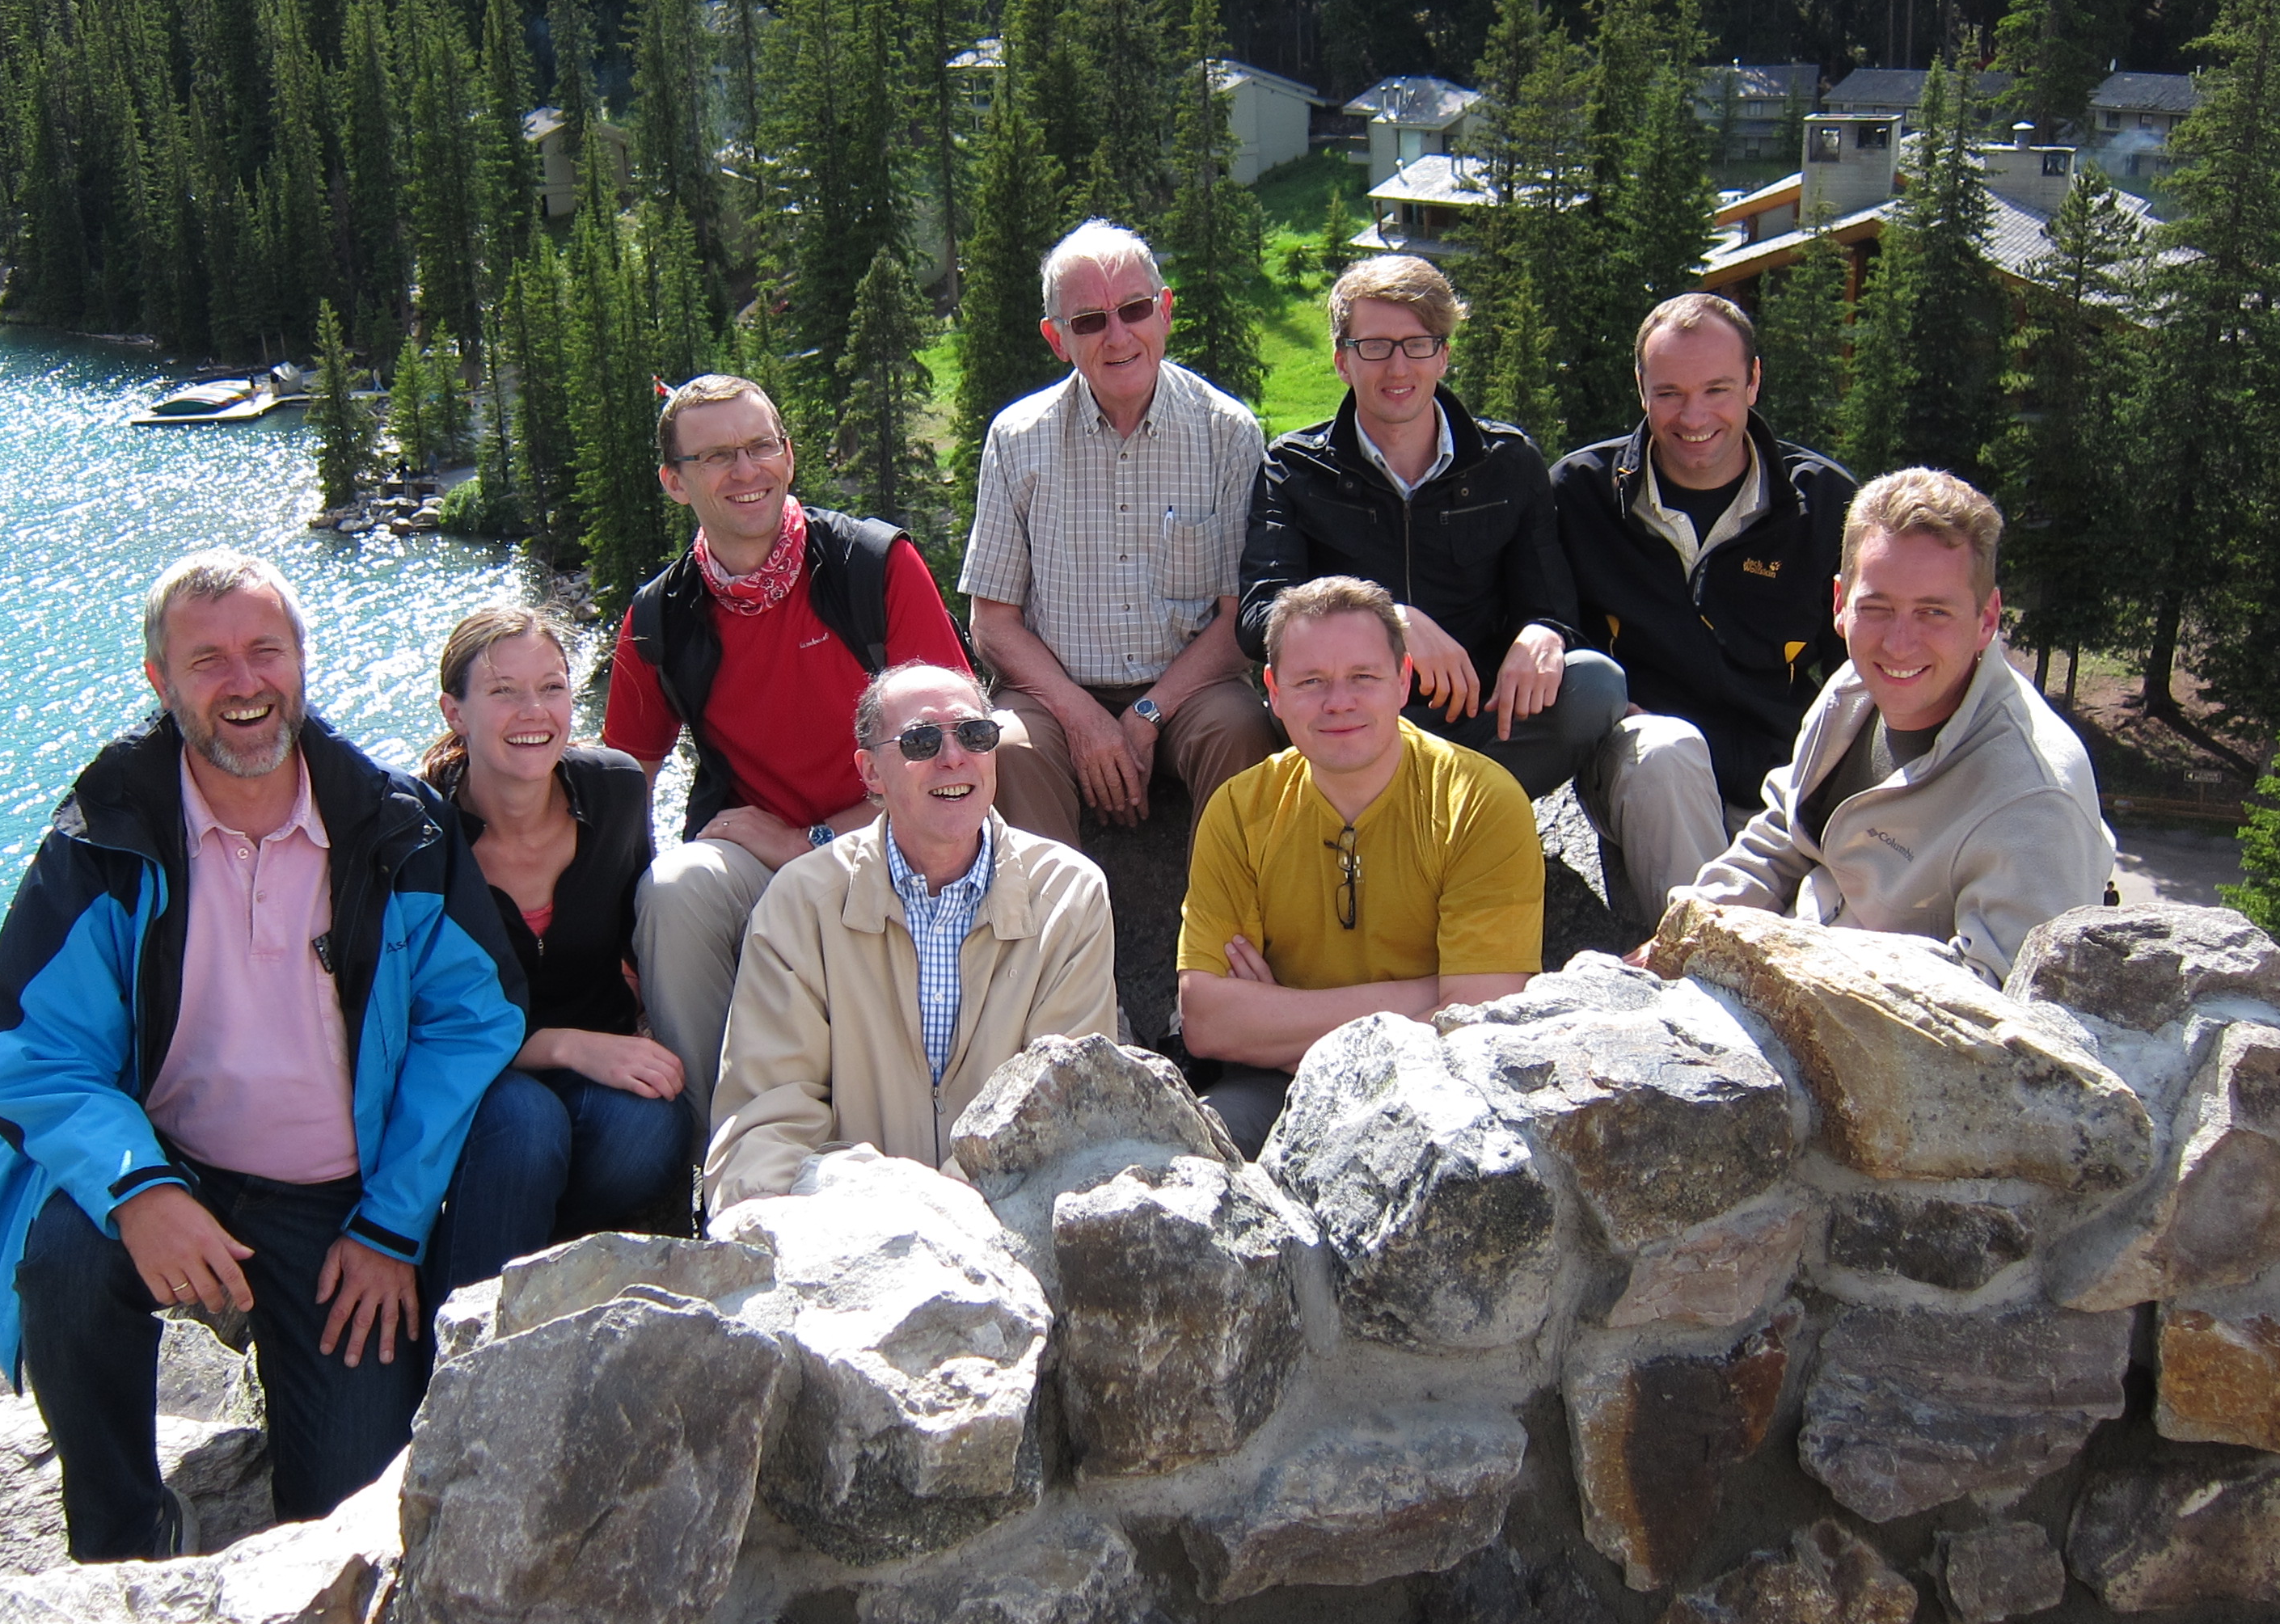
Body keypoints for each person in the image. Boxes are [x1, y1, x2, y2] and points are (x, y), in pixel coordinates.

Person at [0, 551, 532, 1563]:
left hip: (330, 1206)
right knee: (71, 1258)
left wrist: (392, 1222)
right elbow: (37, 1053)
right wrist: (138, 1189)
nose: (244, 681)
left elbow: (473, 1016)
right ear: (159, 681)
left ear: (303, 662)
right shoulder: (105, 837)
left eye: (266, 649)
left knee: (342, 1533)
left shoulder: (393, 828)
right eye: (207, 659)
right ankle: (123, 1530)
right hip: (172, 1164)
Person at [599, 374, 971, 1135]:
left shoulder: (872, 567)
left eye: (761, 445)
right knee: (673, 892)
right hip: (757, 858)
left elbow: (956, 749)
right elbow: (621, 786)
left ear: (789, 456)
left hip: (896, 831)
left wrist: (813, 842)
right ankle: (725, 1154)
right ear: (675, 482)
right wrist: (609, 930)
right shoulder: (658, 620)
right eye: (717, 457)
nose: (746, 470)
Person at [702, 663, 1120, 1212]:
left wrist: (944, 1210)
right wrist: (887, 1215)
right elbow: (762, 1127)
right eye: (921, 740)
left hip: (1011, 1237)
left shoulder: (1070, 895)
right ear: (870, 772)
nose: (953, 757)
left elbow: (1064, 1109)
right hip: (847, 1241)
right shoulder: (799, 903)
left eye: (975, 734)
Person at [1670, 468, 2114, 985]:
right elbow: (1786, 832)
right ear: (1839, 605)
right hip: (1801, 961)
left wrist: (1787, 982)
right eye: (1876, 608)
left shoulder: (2034, 803)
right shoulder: (1853, 691)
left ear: (1987, 619)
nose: (1899, 644)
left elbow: (1995, 1020)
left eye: (1934, 613)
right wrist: (1683, 933)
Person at [1179, 576, 1543, 1153]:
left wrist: (1282, 1021)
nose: (1338, 702)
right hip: (1274, 1088)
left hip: (1438, 1088)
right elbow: (1207, 1020)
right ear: (1271, 689)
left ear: (1403, 680)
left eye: (1363, 677)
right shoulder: (1239, 809)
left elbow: (1480, 1017)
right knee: (1195, 1156)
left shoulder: (1478, 800)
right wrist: (1427, 993)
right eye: (1311, 682)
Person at [1239, 255, 1624, 800]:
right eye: (1374, 346)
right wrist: (1387, 619)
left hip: (1482, 728)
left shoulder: (1507, 463)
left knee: (1595, 684)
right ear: (1341, 361)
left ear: (1443, 356)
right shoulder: (1295, 468)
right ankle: (1443, 824)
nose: (1398, 368)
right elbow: (1260, 619)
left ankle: (1447, 818)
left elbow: (1553, 610)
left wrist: (1545, 633)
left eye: (1417, 344)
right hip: (1350, 718)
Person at [962, 219, 1277, 846]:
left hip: (1190, 691)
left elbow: (1239, 621)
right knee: (1011, 747)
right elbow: (992, 623)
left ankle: (1223, 930)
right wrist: (1082, 719)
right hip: (1053, 691)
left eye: (1134, 309)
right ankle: (1055, 937)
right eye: (1089, 321)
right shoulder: (1017, 439)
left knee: (1242, 730)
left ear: (1165, 312)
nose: (1118, 335)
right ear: (1057, 339)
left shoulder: (1228, 433)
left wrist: (1147, 713)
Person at [1555, 293, 1856, 930]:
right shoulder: (1580, 495)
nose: (1693, 417)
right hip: (1644, 768)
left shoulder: (1822, 505)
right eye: (1669, 393)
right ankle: (1699, 970)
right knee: (1668, 750)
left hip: (1776, 782)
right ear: (1640, 388)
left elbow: (1861, 669)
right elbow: (1551, 627)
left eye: (1717, 389)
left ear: (1754, 381)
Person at [422, 603, 690, 1240]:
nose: (534, 712)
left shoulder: (616, 791)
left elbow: (635, 935)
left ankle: (519, 1240)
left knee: (654, 1125)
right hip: (479, 1080)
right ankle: (474, 1325)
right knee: (526, 1123)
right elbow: (421, 1023)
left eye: (552, 687)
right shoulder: (421, 834)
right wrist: (565, 1045)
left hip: (594, 1072)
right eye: (503, 692)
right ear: (454, 712)